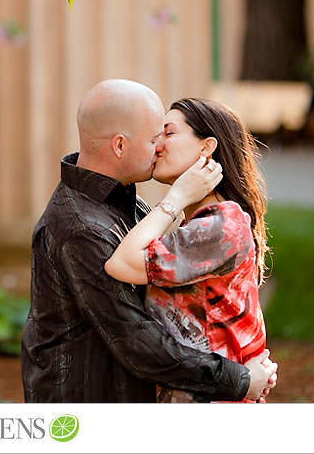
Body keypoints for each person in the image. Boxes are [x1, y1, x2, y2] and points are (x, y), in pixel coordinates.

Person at [20, 79, 276, 402]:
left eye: (167, 135)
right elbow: (137, 341)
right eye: (157, 137)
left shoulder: (126, 204)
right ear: (120, 146)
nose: (160, 147)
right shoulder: (81, 227)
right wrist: (239, 378)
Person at [104, 97, 271, 402]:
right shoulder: (209, 223)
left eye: (168, 133)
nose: (158, 145)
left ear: (206, 147)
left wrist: (177, 196)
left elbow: (121, 264)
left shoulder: (221, 227)